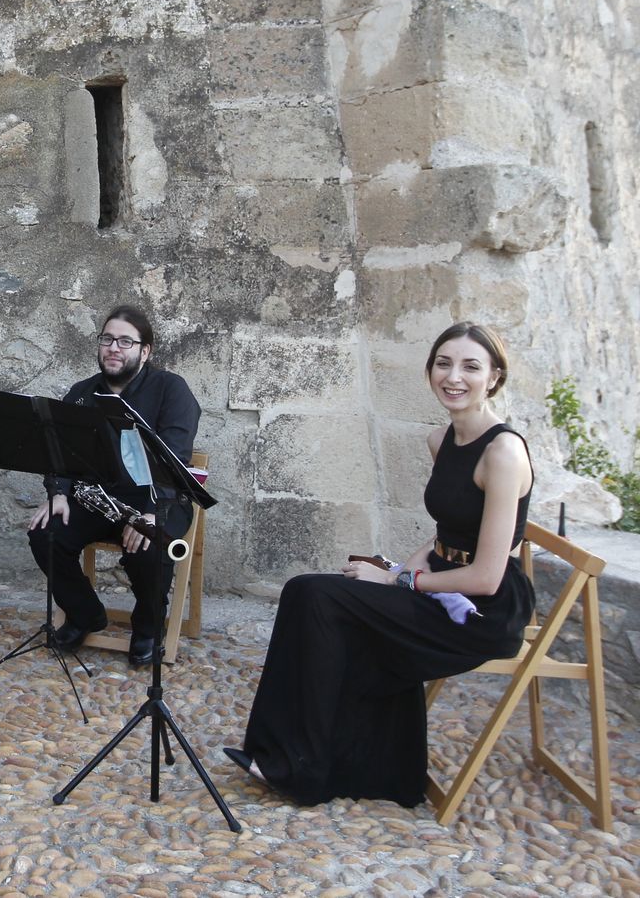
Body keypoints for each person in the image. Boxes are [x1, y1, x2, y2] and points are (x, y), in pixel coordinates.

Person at [225, 321, 535, 807]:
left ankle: (301, 767)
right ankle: (346, 766)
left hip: (481, 613)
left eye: (471, 366)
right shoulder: (442, 440)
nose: (454, 376)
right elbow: (446, 535)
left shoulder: (503, 452)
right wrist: (400, 571)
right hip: (439, 584)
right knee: (311, 594)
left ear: (494, 377)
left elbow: (486, 574)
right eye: (443, 363)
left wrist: (398, 579)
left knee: (317, 597)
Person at [25, 305, 200, 663]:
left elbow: (175, 458)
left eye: (124, 341)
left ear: (144, 351)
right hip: (101, 499)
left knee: (148, 544)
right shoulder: (81, 392)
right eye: (107, 339)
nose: (113, 348)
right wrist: (57, 492)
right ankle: (85, 613)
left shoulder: (171, 389)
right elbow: (59, 453)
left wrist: (151, 513)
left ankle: (149, 627)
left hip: (158, 499)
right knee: (45, 532)